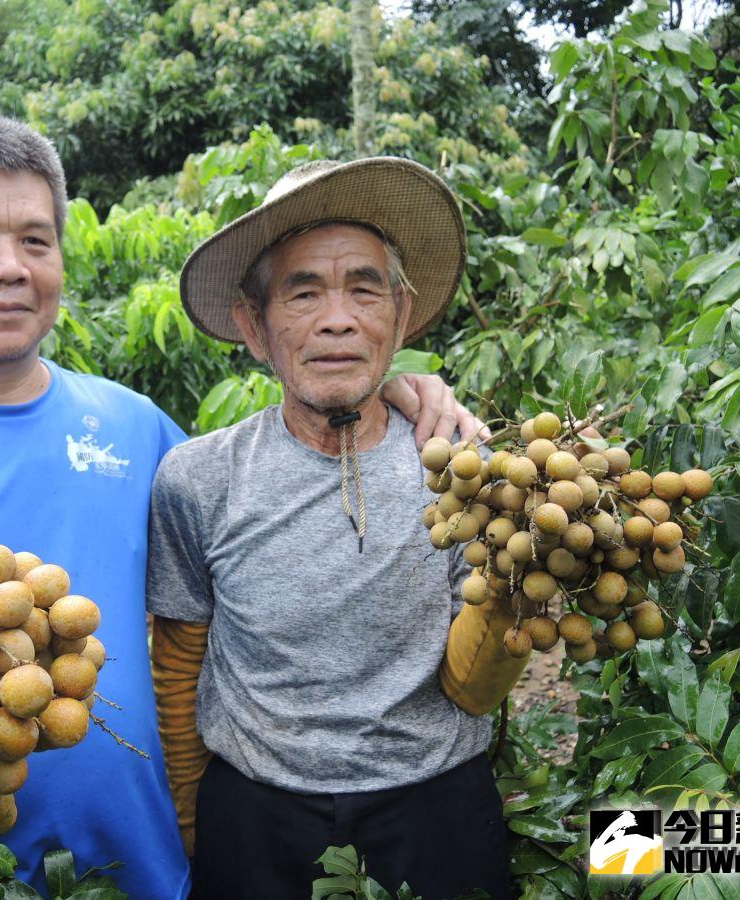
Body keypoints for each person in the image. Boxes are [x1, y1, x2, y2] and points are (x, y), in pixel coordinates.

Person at [0, 114, 485, 898]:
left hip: (160, 869)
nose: (10, 268)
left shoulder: (135, 425)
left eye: (37, 241)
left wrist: (393, 392)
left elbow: (275, 487)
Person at [147, 158, 529, 900]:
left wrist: (524, 589)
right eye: (303, 291)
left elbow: (470, 687)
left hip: (436, 805)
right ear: (253, 328)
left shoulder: (466, 468)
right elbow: (179, 666)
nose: (337, 319)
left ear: (401, 313)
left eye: (363, 287)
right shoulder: (197, 480)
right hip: (255, 814)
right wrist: (194, 821)